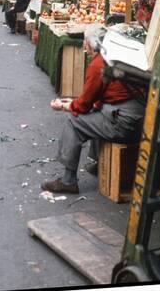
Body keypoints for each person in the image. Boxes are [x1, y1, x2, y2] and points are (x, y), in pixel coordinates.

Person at [41, 26, 145, 194]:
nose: (83, 46)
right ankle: (97, 163)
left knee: (74, 122)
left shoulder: (98, 64)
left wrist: (64, 106)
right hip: (139, 118)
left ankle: (68, 180)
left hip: (125, 123)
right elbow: (94, 100)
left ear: (90, 43)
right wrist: (75, 102)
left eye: (85, 41)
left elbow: (83, 106)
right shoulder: (117, 55)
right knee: (95, 113)